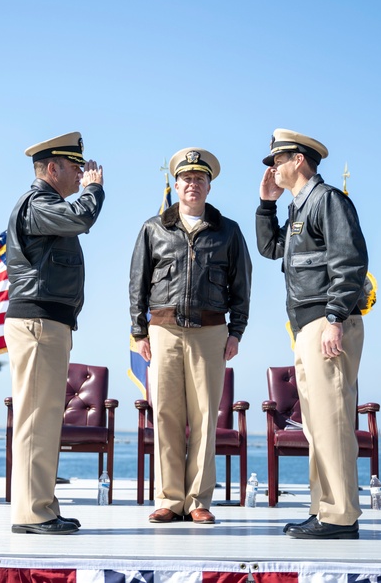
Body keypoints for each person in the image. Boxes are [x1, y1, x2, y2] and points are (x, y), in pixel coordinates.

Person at [255, 129, 368, 540]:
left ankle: (339, 515)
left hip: (326, 321)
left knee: (333, 421)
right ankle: (325, 509)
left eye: (277, 161)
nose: (273, 169)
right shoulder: (299, 209)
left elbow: (350, 261)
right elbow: (271, 250)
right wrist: (266, 206)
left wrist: (336, 316)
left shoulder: (328, 200)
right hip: (307, 326)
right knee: (318, 424)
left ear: (298, 159)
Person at [129, 148, 251, 525]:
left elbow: (242, 285)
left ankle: (198, 500)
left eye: (200, 179)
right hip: (162, 330)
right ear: (176, 185)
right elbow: (138, 281)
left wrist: (237, 331)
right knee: (165, 414)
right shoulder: (153, 228)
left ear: (209, 186)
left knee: (204, 416)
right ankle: (169, 499)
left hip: (211, 332)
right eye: (186, 179)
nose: (192, 185)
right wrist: (138, 330)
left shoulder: (228, 231)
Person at [5, 131, 104, 535]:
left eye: (84, 171)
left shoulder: (45, 204)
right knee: (35, 418)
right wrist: (96, 191)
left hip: (48, 322)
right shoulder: (39, 203)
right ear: (53, 168)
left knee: (45, 418)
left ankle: (41, 505)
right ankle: (31, 512)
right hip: (38, 322)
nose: (82, 175)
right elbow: (80, 218)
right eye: (76, 168)